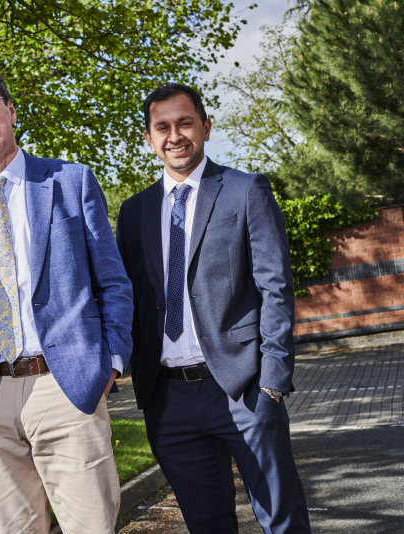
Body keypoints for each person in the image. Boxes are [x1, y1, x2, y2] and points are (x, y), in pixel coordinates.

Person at [0, 67, 133, 533]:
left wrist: (111, 364)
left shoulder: (70, 181)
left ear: (11, 111)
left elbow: (113, 282)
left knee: (92, 526)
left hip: (65, 384)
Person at [116, 83, 311, 533]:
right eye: (162, 127)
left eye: (185, 123)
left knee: (282, 520)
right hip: (168, 399)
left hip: (244, 389)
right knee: (207, 526)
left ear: (205, 127)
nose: (175, 136)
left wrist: (273, 381)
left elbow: (275, 288)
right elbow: (128, 298)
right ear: (149, 138)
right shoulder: (133, 212)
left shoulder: (245, 190)